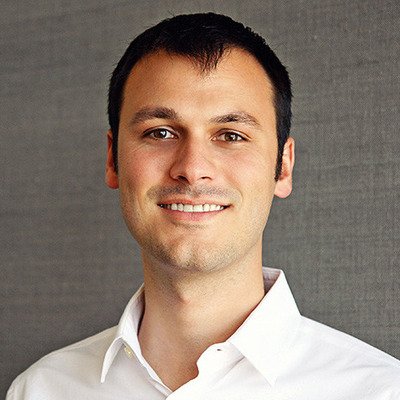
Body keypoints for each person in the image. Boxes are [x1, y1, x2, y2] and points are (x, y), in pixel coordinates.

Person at [7, 12, 399, 400]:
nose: (193, 169)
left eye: (231, 135)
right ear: (113, 159)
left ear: (283, 166)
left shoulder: (380, 392)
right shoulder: (40, 390)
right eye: (160, 133)